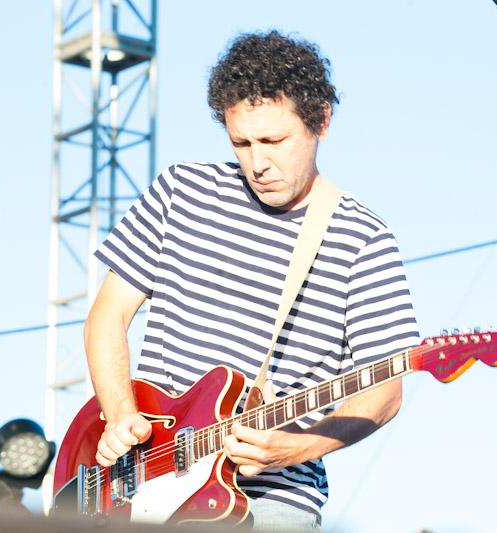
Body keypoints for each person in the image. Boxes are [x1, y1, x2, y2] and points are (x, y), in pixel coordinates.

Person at [85, 30, 419, 531]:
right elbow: (107, 317)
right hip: (141, 481)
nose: (257, 163)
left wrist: (297, 448)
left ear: (321, 120)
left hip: (271, 497)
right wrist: (119, 414)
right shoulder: (181, 191)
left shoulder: (363, 239)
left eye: (274, 141)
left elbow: (385, 391)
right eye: (241, 143)